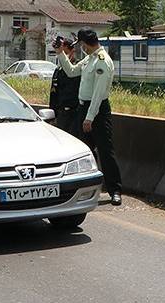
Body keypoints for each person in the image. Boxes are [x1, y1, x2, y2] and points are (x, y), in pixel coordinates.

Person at [54, 28, 123, 206]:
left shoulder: (102, 61)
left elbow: (99, 93)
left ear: (85, 44)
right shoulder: (89, 58)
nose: (81, 47)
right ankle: (85, 188)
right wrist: (60, 53)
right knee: (82, 150)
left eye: (81, 44)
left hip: (97, 111)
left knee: (106, 151)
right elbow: (71, 72)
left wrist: (90, 118)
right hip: (83, 109)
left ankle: (115, 190)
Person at [49, 38, 81, 138]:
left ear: (73, 51)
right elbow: (53, 94)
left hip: (75, 113)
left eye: (65, 52)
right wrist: (52, 114)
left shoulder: (78, 68)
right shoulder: (58, 70)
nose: (64, 56)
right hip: (61, 113)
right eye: (60, 53)